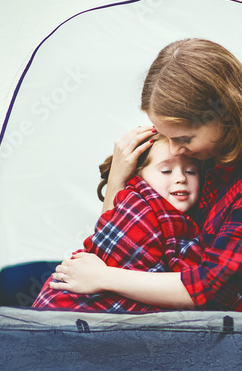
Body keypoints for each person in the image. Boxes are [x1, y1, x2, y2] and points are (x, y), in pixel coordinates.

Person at [48, 38, 242, 315]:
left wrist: (103, 278)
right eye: (169, 137)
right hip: (185, 328)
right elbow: (123, 241)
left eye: (185, 138)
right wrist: (117, 178)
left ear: (226, 115)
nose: (175, 149)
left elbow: (211, 288)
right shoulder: (203, 161)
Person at [33, 134, 202, 312]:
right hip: (72, 310)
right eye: (166, 171)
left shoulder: (179, 218)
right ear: (139, 177)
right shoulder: (136, 210)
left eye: (191, 171)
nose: (181, 178)